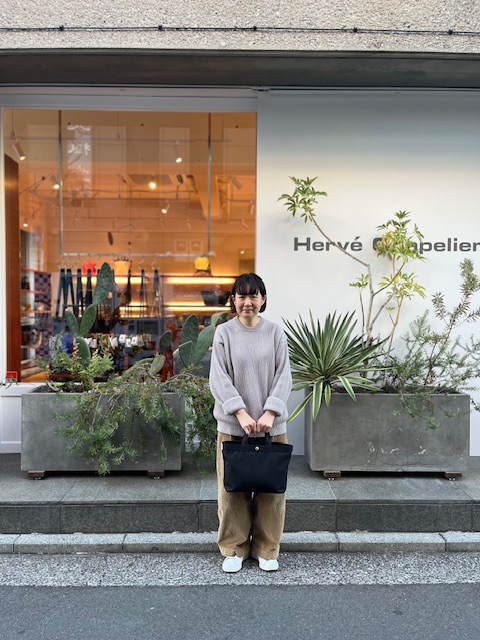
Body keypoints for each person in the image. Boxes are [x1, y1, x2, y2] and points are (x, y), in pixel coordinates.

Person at [209, 273, 292, 573]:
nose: (247, 302)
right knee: (232, 492)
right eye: (241, 296)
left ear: (263, 299)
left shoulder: (275, 333)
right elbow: (218, 377)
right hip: (233, 428)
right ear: (233, 300)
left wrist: (270, 412)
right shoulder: (224, 333)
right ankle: (234, 548)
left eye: (253, 295)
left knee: (272, 493)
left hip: (272, 427)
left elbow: (284, 375)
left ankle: (267, 549)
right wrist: (240, 413)